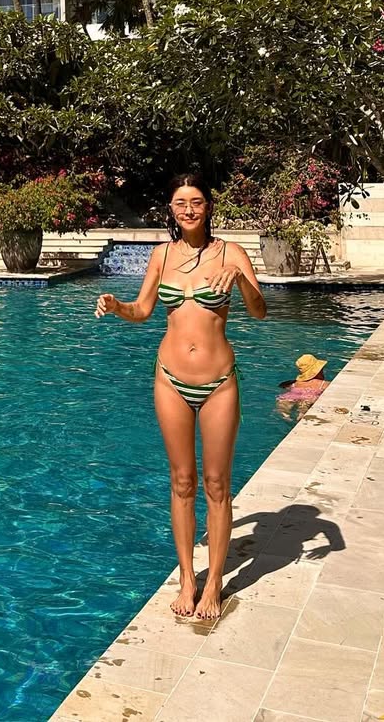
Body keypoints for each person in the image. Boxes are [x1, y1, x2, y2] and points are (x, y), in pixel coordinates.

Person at [94, 172, 267, 620]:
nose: (188, 209)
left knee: (217, 483)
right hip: (170, 378)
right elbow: (143, 310)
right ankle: (187, 578)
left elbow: (259, 311)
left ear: (208, 206)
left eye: (196, 201)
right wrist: (117, 306)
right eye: (180, 203)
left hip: (218, 381)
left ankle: (215, 581)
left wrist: (240, 279)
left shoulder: (231, 253)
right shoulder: (162, 255)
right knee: (182, 481)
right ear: (171, 209)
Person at [276, 354, 329, 421]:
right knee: (306, 404)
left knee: (283, 405)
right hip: (310, 397)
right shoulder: (324, 384)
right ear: (318, 370)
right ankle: (301, 413)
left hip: (292, 395)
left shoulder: (294, 384)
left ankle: (285, 415)